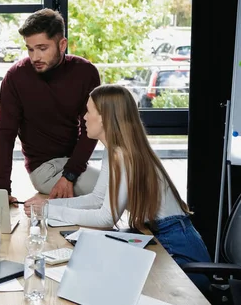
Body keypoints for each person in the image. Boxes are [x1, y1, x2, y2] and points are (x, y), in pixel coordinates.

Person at [33, 84, 211, 292]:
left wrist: (51, 210)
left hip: (177, 250)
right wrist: (49, 205)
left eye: (89, 111)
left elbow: (106, 218)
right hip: (158, 236)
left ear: (105, 117)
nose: (84, 117)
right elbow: (97, 199)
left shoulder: (123, 156)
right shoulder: (114, 151)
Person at [0, 8, 101, 204]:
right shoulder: (15, 77)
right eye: (30, 48)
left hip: (74, 164)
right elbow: (5, 135)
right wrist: (2, 189)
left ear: (62, 44)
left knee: (127, 183)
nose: (35, 57)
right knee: (115, 189)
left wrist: (70, 174)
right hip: (43, 169)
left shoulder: (85, 72)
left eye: (42, 48)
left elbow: (90, 130)